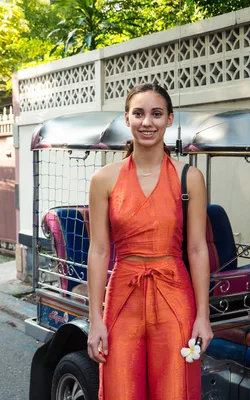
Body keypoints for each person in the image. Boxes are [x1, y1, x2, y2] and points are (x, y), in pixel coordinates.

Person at [86, 83, 213, 399]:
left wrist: (203, 316)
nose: (147, 122)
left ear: (169, 119)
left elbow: (197, 249)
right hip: (122, 295)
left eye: (156, 114)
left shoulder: (189, 178)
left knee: (175, 389)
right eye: (139, 113)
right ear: (126, 119)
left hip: (174, 294)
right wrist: (95, 321)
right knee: (120, 389)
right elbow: (99, 250)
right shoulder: (104, 180)